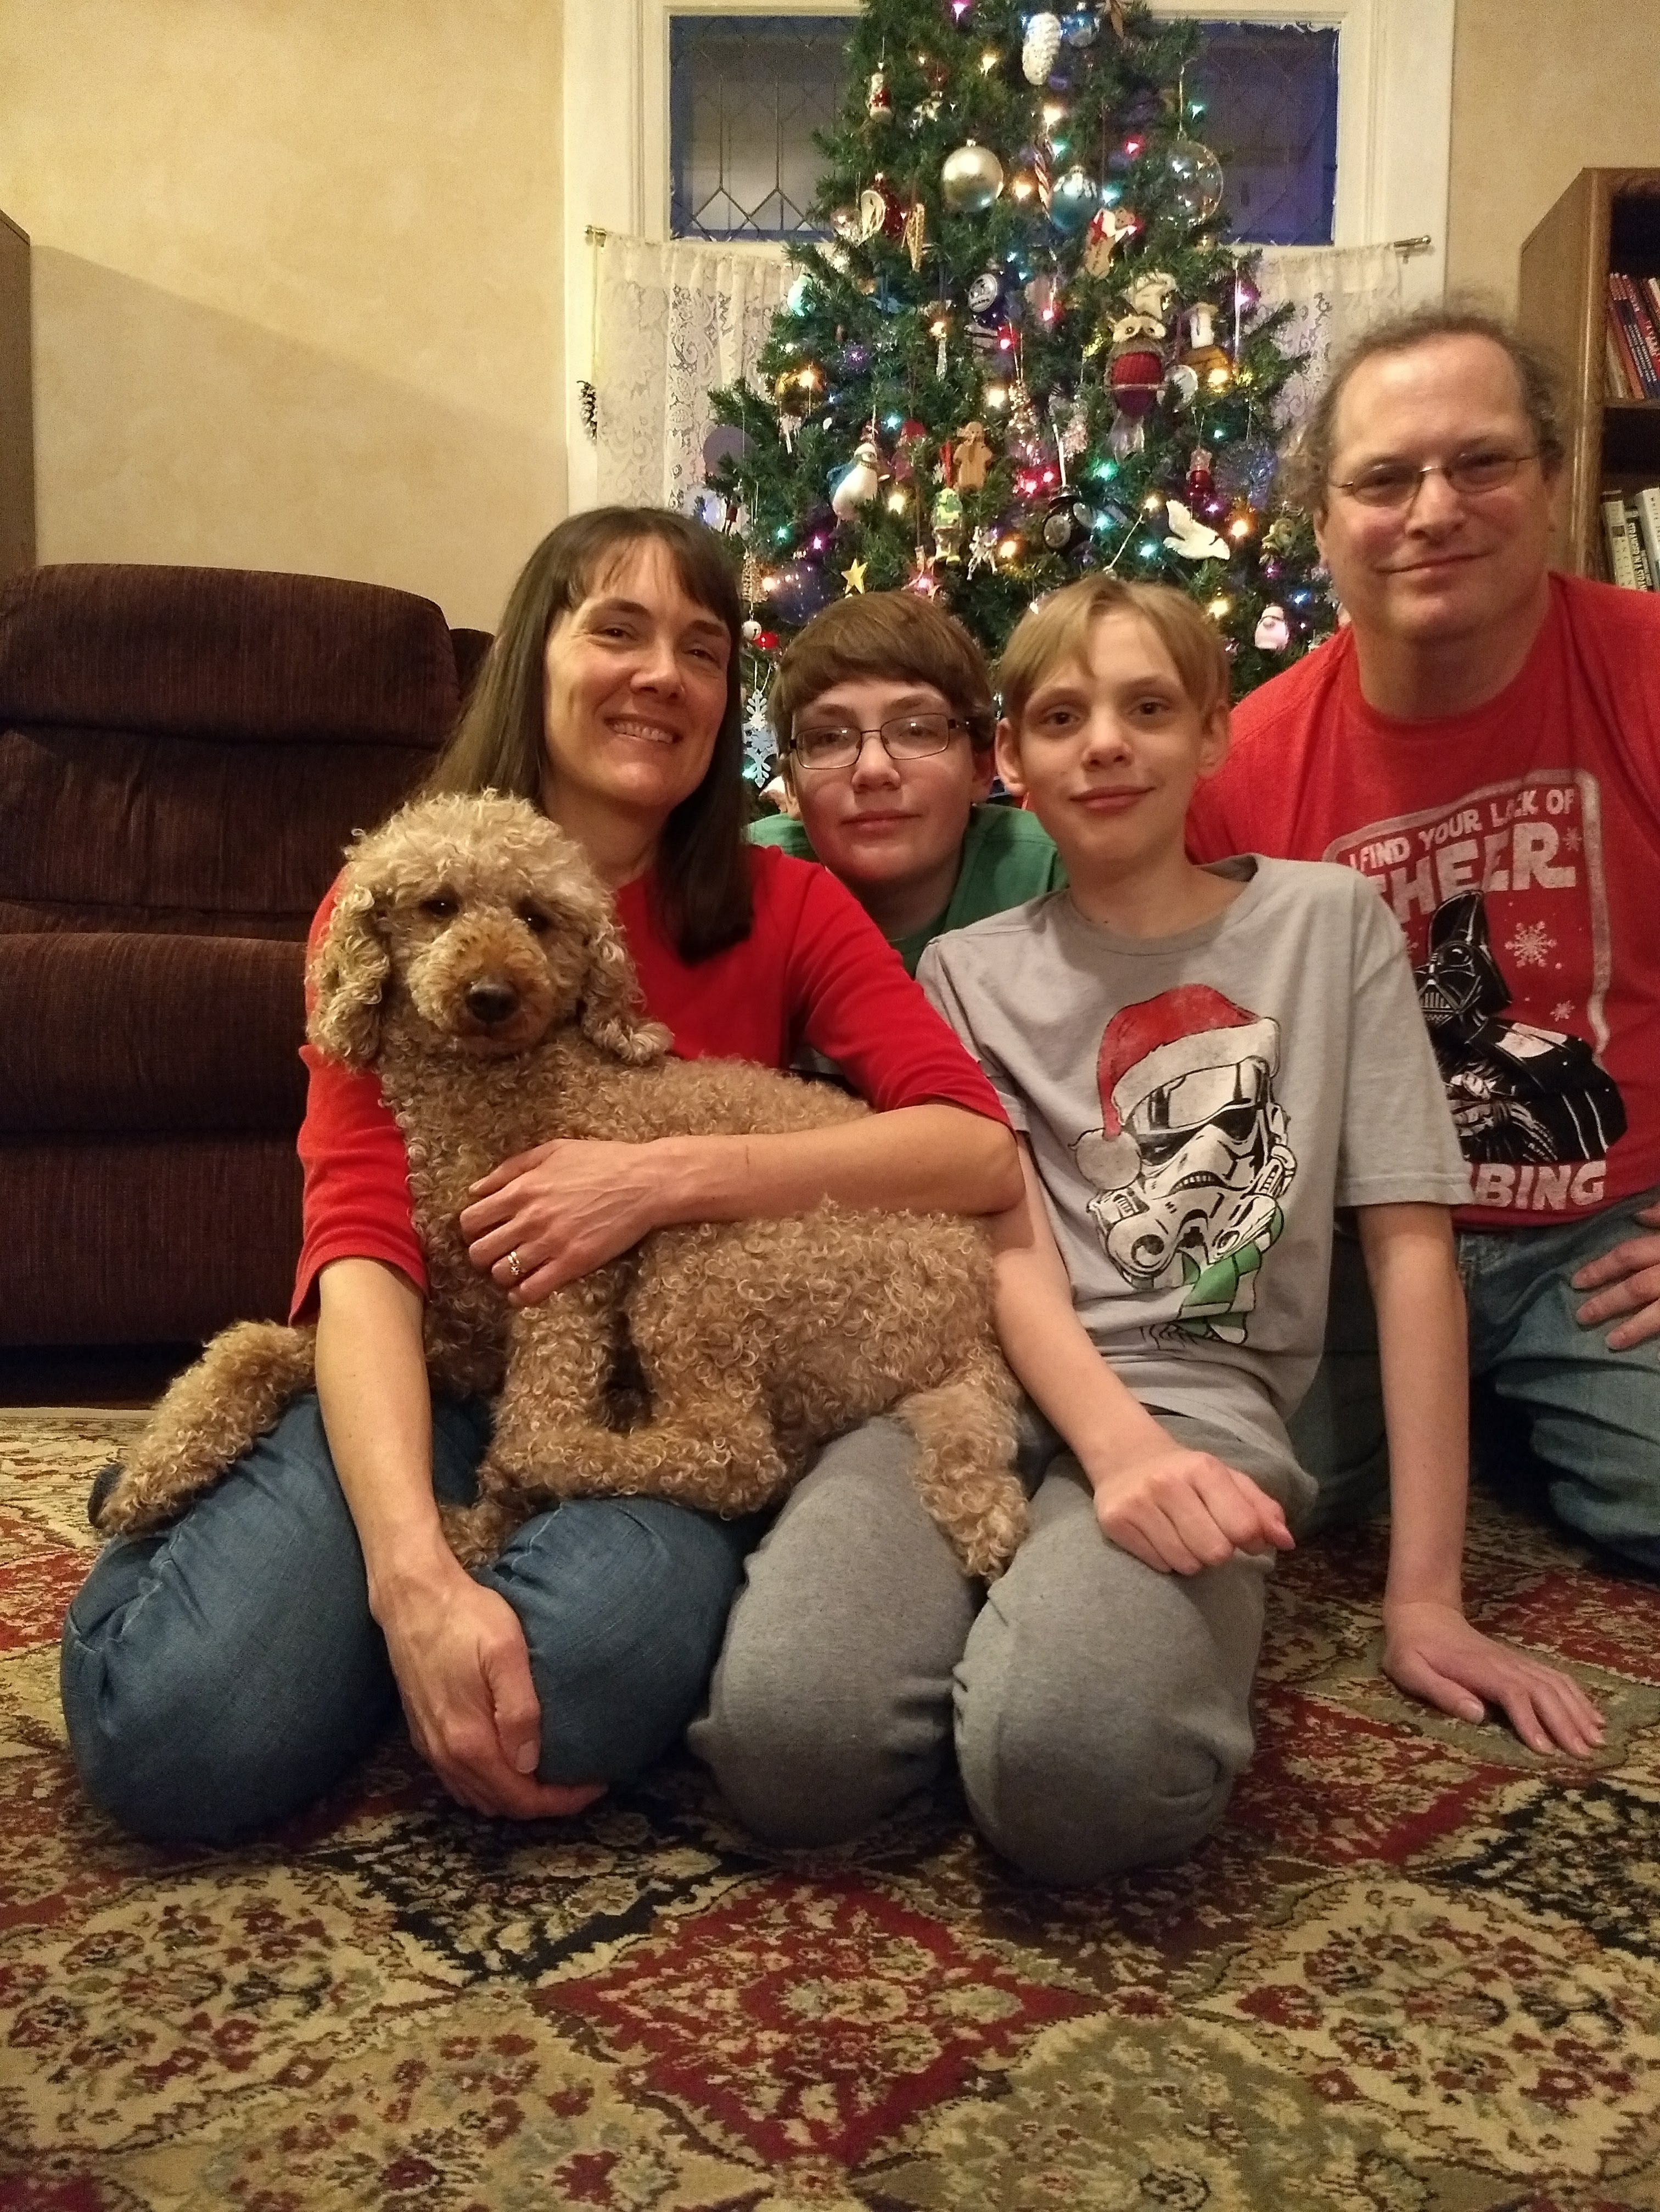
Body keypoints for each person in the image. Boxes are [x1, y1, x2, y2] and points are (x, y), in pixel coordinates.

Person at [60, 507, 1020, 1846]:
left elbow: (973, 1146)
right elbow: (362, 1248)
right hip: (429, 1368)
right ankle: (291, 1587)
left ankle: (371, 1642)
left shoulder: (786, 904)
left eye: (701, 649)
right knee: (171, 1737)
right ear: (534, 657)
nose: (663, 676)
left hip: (627, 1409)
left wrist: (664, 1177)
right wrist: (404, 1576)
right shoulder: (391, 898)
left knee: (587, 1671)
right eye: (616, 629)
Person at [696, 570, 1601, 1890]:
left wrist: (1426, 1598)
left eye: (1148, 706)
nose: (1107, 741)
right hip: (961, 1379)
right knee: (787, 1753)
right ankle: (1005, 1640)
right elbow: (1002, 1243)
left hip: (1200, 1396)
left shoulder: (1328, 924)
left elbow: (1414, 1250)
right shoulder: (966, 970)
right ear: (1014, 757)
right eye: (1062, 715)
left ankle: (1055, 1662)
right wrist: (1104, 1453)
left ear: (1214, 734)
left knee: (1074, 1784)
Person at [1186, 307, 1660, 1567]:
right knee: (1231, 1501)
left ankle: (1545, 1411)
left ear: (1555, 481)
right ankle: (1499, 1419)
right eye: (1386, 478)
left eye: (1482, 462)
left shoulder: (1647, 676)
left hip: (1610, 1232)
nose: (1433, 509)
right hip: (1353, 1246)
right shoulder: (1244, 767)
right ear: (1327, 522)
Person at [748, 593, 1063, 974]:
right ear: (793, 785)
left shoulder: (1055, 871)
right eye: (829, 738)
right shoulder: (737, 883)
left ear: (981, 768)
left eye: (917, 731)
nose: (873, 769)